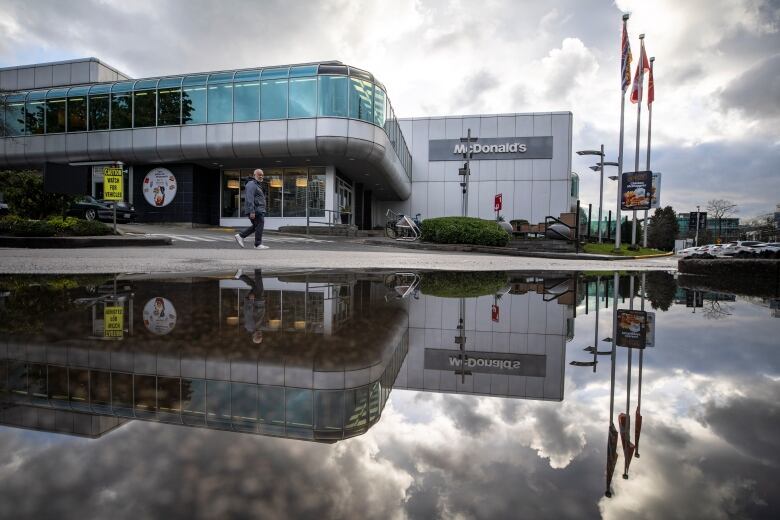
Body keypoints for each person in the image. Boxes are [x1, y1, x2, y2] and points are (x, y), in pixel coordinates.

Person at [234, 168, 269, 249]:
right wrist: (252, 211)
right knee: (259, 225)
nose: (261, 176)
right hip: (256, 210)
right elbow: (250, 198)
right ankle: (257, 244)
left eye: (262, 175)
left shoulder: (257, 184)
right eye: (259, 175)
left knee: (256, 226)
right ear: (254, 175)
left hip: (258, 209)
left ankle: (240, 236)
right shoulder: (251, 184)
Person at [236, 268, 266, 344]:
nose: (260, 335)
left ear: (253, 336)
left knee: (259, 287)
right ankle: (240, 276)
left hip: (255, 301)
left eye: (258, 336)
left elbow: (248, 312)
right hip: (258, 302)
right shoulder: (256, 327)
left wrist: (251, 300)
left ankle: (257, 270)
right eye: (261, 337)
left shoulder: (250, 327)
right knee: (255, 285)